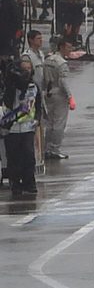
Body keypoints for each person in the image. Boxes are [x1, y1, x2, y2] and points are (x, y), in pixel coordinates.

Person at [1, 55, 41, 196]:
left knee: (29, 156)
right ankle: (15, 184)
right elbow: (8, 100)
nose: (26, 73)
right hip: (11, 128)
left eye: (29, 69)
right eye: (23, 70)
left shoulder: (34, 86)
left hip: (28, 127)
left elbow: (38, 105)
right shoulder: (11, 87)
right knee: (14, 158)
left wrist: (37, 119)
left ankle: (29, 182)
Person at [43, 37, 75, 160]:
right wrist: (70, 97)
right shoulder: (62, 63)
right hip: (59, 94)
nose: (70, 50)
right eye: (68, 47)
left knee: (49, 123)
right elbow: (63, 82)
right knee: (59, 124)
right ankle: (55, 148)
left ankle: (47, 148)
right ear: (61, 47)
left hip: (48, 92)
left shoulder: (48, 60)